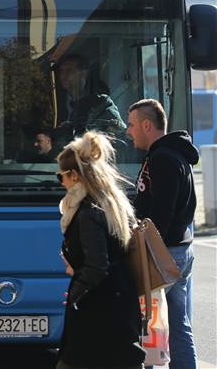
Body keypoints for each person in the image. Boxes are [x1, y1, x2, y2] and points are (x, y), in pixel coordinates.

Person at [56, 131, 145, 369]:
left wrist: (75, 292)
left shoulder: (87, 211)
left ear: (74, 176)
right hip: (120, 303)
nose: (61, 183)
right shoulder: (112, 202)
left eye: (61, 176)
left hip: (98, 310)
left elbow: (97, 266)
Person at [126, 99, 199, 369]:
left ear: (147, 125)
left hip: (163, 252)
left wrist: (143, 249)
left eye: (132, 125)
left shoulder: (163, 159)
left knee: (146, 323)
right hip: (178, 250)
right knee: (177, 323)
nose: (128, 131)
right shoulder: (171, 155)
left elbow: (162, 213)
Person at [54, 54, 125, 143]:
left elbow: (118, 135)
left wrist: (78, 132)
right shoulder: (69, 107)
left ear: (84, 73)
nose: (64, 76)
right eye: (61, 71)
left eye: (69, 70)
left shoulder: (102, 104)